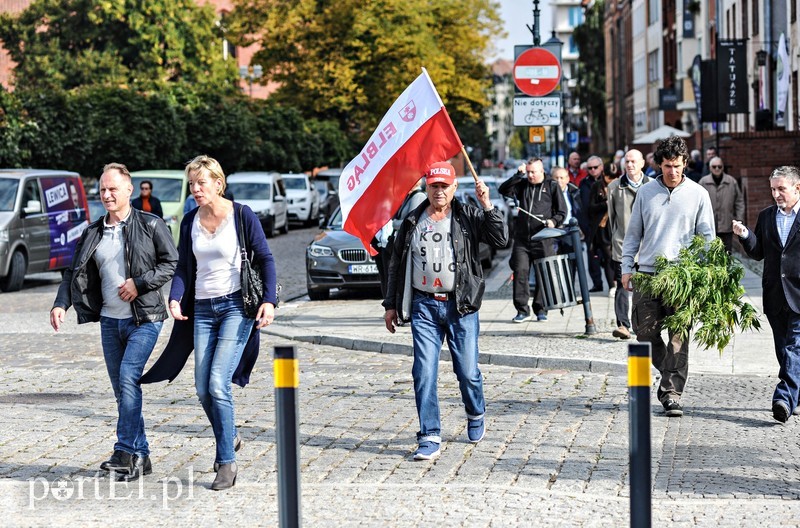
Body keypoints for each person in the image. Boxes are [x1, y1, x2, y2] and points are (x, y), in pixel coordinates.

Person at [140, 155, 278, 490]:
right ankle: (230, 435)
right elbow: (184, 267)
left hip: (236, 306)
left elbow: (266, 258)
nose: (196, 189)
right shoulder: (189, 221)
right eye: (193, 183)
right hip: (202, 309)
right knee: (202, 388)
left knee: (218, 382)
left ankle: (226, 462)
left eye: (202, 182)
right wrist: (175, 296)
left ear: (219, 183)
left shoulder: (242, 216)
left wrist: (270, 301)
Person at [49, 162, 178, 481]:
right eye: (102, 190)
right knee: (123, 390)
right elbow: (73, 271)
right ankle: (142, 455)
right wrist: (61, 303)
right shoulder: (93, 232)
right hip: (110, 320)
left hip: (146, 318)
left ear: (129, 191)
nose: (106, 194)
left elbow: (171, 263)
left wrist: (140, 283)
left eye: (112, 189)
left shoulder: (151, 224)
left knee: (127, 378)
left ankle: (124, 452)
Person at [382, 161, 507, 461]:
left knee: (467, 371)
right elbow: (396, 264)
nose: (439, 191)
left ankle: (475, 411)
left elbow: (500, 239)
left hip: (460, 305)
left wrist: (487, 204)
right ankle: (429, 434)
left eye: (444, 186)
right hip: (424, 305)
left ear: (454, 188)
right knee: (423, 372)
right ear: (426, 187)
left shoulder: (467, 216)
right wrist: (390, 305)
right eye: (434, 186)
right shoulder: (412, 220)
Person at [621, 136, 715, 417]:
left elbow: (707, 238)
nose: (672, 171)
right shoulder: (646, 193)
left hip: (682, 276)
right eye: (666, 166)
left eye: (676, 165)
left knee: (678, 337)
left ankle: (672, 392)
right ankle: (669, 371)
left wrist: (704, 274)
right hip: (648, 274)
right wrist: (627, 267)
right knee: (644, 332)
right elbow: (633, 234)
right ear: (658, 165)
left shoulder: (698, 194)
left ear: (685, 163)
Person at [732, 166, 800, 423]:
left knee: (795, 347)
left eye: (781, 189)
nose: (776, 194)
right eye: (773, 189)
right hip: (773, 294)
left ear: (797, 187)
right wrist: (746, 235)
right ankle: (796, 394)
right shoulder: (767, 216)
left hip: (799, 293)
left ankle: (782, 398)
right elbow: (758, 251)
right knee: (783, 350)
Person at [500, 157, 567, 322]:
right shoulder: (523, 185)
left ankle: (541, 308)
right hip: (522, 239)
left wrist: (553, 221)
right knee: (520, 271)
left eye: (533, 172)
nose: (530, 175)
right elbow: (504, 190)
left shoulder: (551, 186)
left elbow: (562, 212)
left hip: (543, 238)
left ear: (541, 170)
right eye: (528, 172)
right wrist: (518, 175)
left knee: (543, 273)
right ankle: (522, 310)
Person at [607, 149, 652, 340]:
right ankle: (623, 325)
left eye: (634, 161)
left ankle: (643, 324)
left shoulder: (652, 185)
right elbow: (611, 219)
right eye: (627, 161)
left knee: (645, 287)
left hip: (648, 246)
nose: (630, 165)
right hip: (622, 244)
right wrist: (616, 238)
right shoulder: (615, 187)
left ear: (642, 163)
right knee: (622, 285)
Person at [374, 179, 427, 297]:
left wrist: (394, 223)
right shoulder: (408, 196)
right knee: (389, 277)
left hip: (407, 244)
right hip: (393, 241)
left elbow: (411, 221)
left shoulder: (418, 196)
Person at [698, 156, 745, 253]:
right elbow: (696, 203)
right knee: (710, 254)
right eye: (714, 167)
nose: (717, 169)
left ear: (723, 167)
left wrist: (739, 219)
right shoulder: (703, 182)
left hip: (726, 225)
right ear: (710, 168)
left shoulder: (731, 182)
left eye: (719, 166)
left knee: (727, 254)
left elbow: (739, 201)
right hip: (708, 225)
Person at [587, 163, 618, 296]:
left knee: (618, 257)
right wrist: (604, 204)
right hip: (602, 227)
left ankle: (619, 282)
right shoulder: (597, 186)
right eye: (608, 177)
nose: (610, 180)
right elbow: (591, 207)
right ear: (603, 175)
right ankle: (612, 285)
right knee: (608, 257)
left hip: (617, 226)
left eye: (613, 177)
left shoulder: (619, 185)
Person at [579, 156, 605, 292]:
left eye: (595, 167)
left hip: (605, 226)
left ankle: (612, 283)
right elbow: (582, 206)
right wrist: (583, 226)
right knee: (592, 257)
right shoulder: (584, 183)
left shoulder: (607, 182)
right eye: (590, 168)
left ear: (601, 167)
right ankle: (597, 283)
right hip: (589, 226)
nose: (593, 170)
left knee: (607, 256)